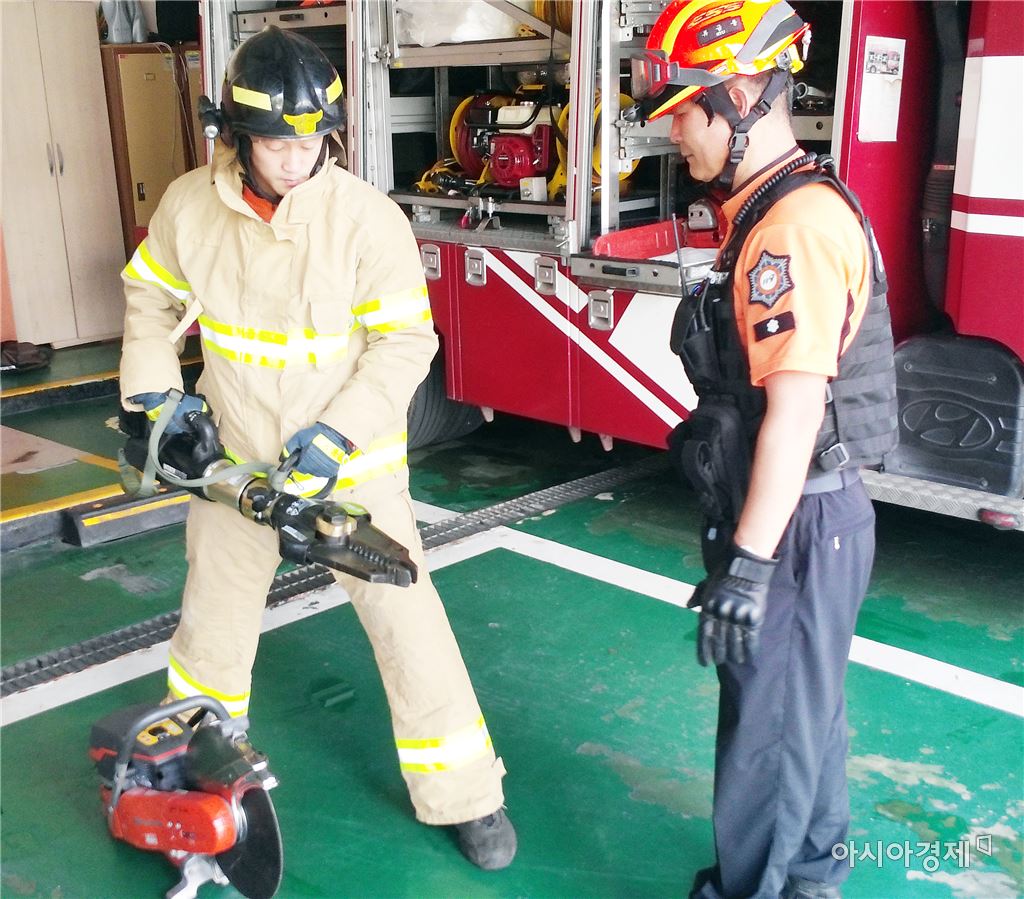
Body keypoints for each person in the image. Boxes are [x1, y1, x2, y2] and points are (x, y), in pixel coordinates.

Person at [118, 26, 516, 871]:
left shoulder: (366, 220)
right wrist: (153, 398)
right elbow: (149, 301)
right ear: (236, 135)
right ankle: (193, 784)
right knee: (210, 633)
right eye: (276, 143)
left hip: (350, 472)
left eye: (312, 142)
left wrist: (337, 435)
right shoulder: (189, 208)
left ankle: (466, 793)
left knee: (411, 628)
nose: (297, 160)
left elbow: (405, 343)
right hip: (233, 470)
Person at [632, 2, 898, 897]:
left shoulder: (791, 228)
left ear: (739, 97)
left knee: (770, 739)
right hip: (805, 515)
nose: (675, 133)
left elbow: (795, 411)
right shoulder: (773, 207)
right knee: (800, 719)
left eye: (685, 112)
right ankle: (811, 878)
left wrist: (749, 564)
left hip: (795, 523)